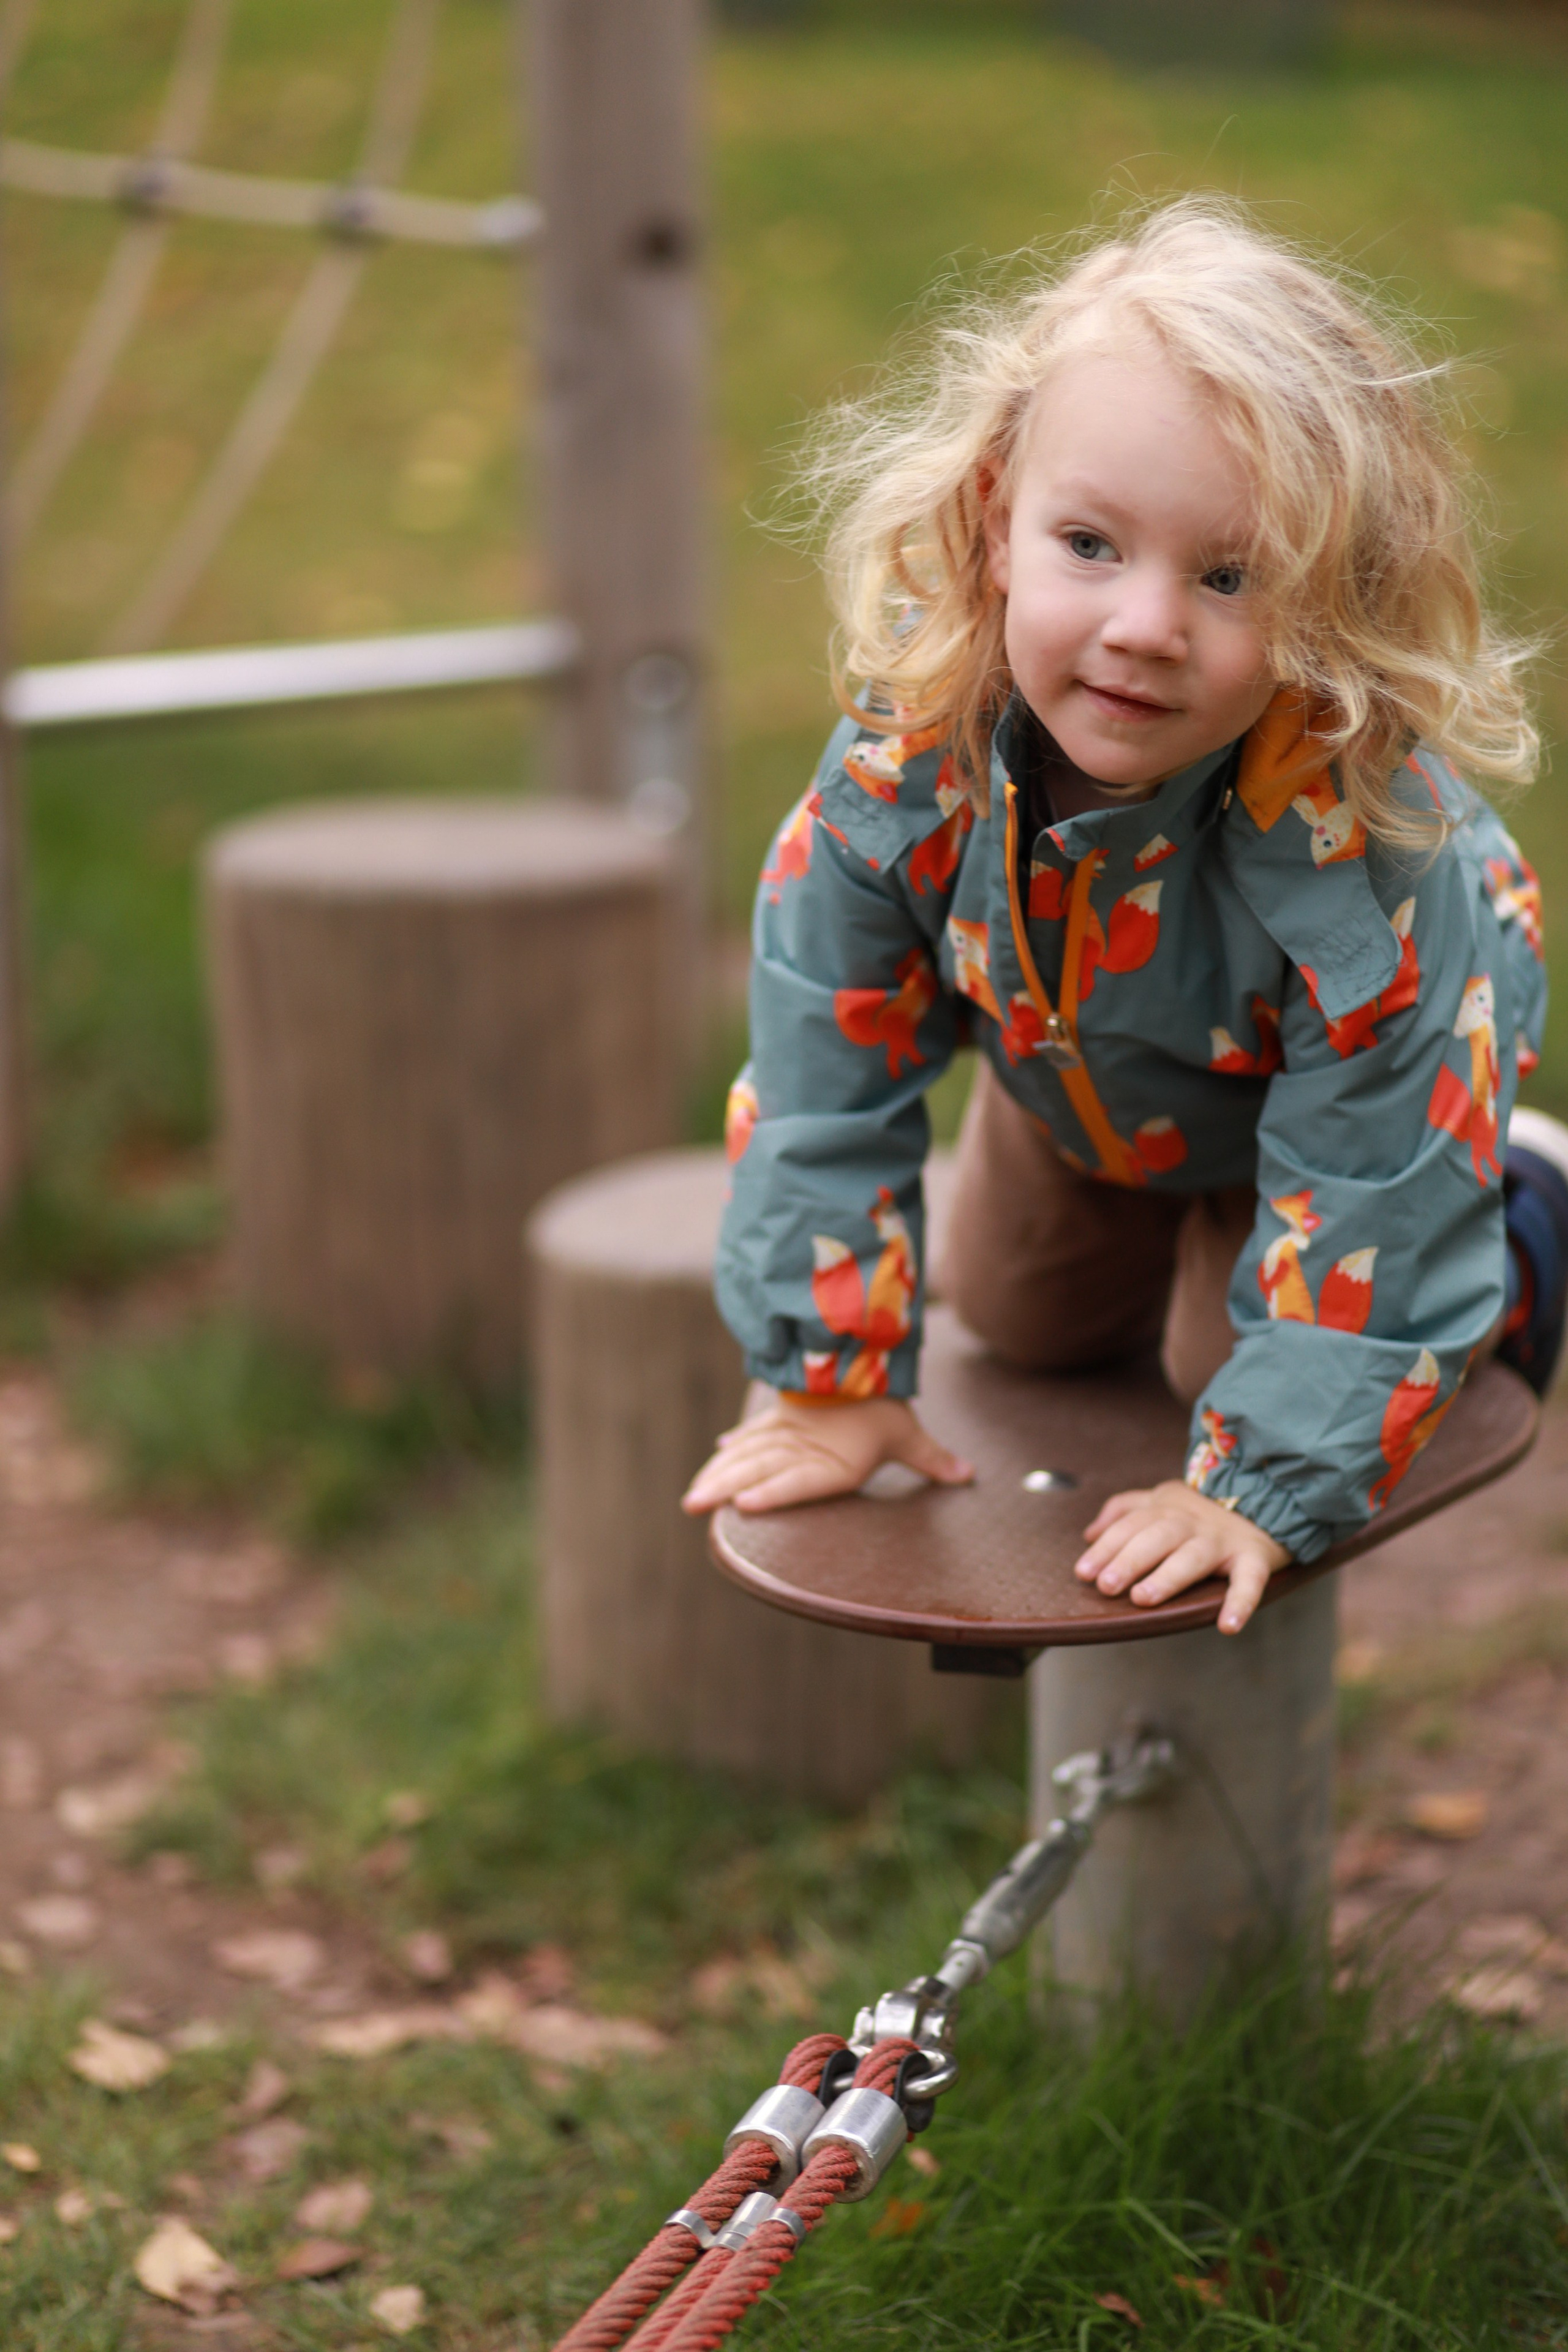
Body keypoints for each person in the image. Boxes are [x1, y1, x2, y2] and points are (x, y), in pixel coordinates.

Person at [683, 198, 1567, 1635]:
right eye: (1089, 543)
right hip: (1076, 1079)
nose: (1145, 624)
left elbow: (1372, 1195)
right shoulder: (904, 775)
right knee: (1015, 1319)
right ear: (992, 525)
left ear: (1324, 605)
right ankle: (1143, 1247)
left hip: (1320, 1128)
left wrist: (1258, 1487)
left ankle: (1528, 1206)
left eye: (1226, 578)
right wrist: (825, 1381)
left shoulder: (1358, 875)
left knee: (1207, 1368)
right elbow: (816, 1075)